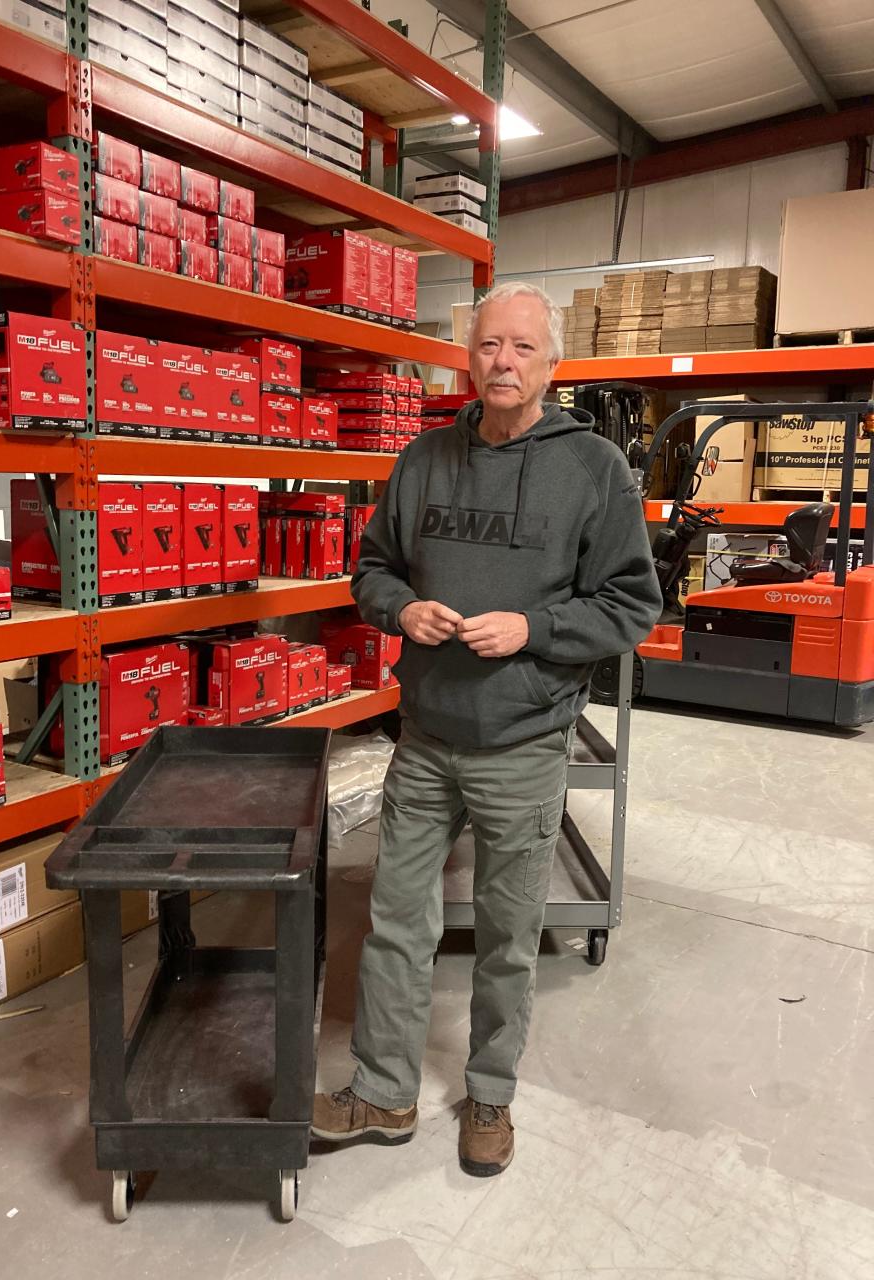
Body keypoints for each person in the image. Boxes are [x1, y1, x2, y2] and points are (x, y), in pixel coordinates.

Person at [312, 281, 663, 1177]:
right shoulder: (424, 458)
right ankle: (385, 1092)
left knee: (509, 935)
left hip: (523, 743)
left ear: (552, 366)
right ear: (467, 356)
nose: (502, 362)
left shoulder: (593, 470)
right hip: (425, 736)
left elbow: (632, 603)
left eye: (522, 349)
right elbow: (373, 570)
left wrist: (534, 630)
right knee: (396, 924)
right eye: (487, 346)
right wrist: (403, 611)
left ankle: (491, 1096)